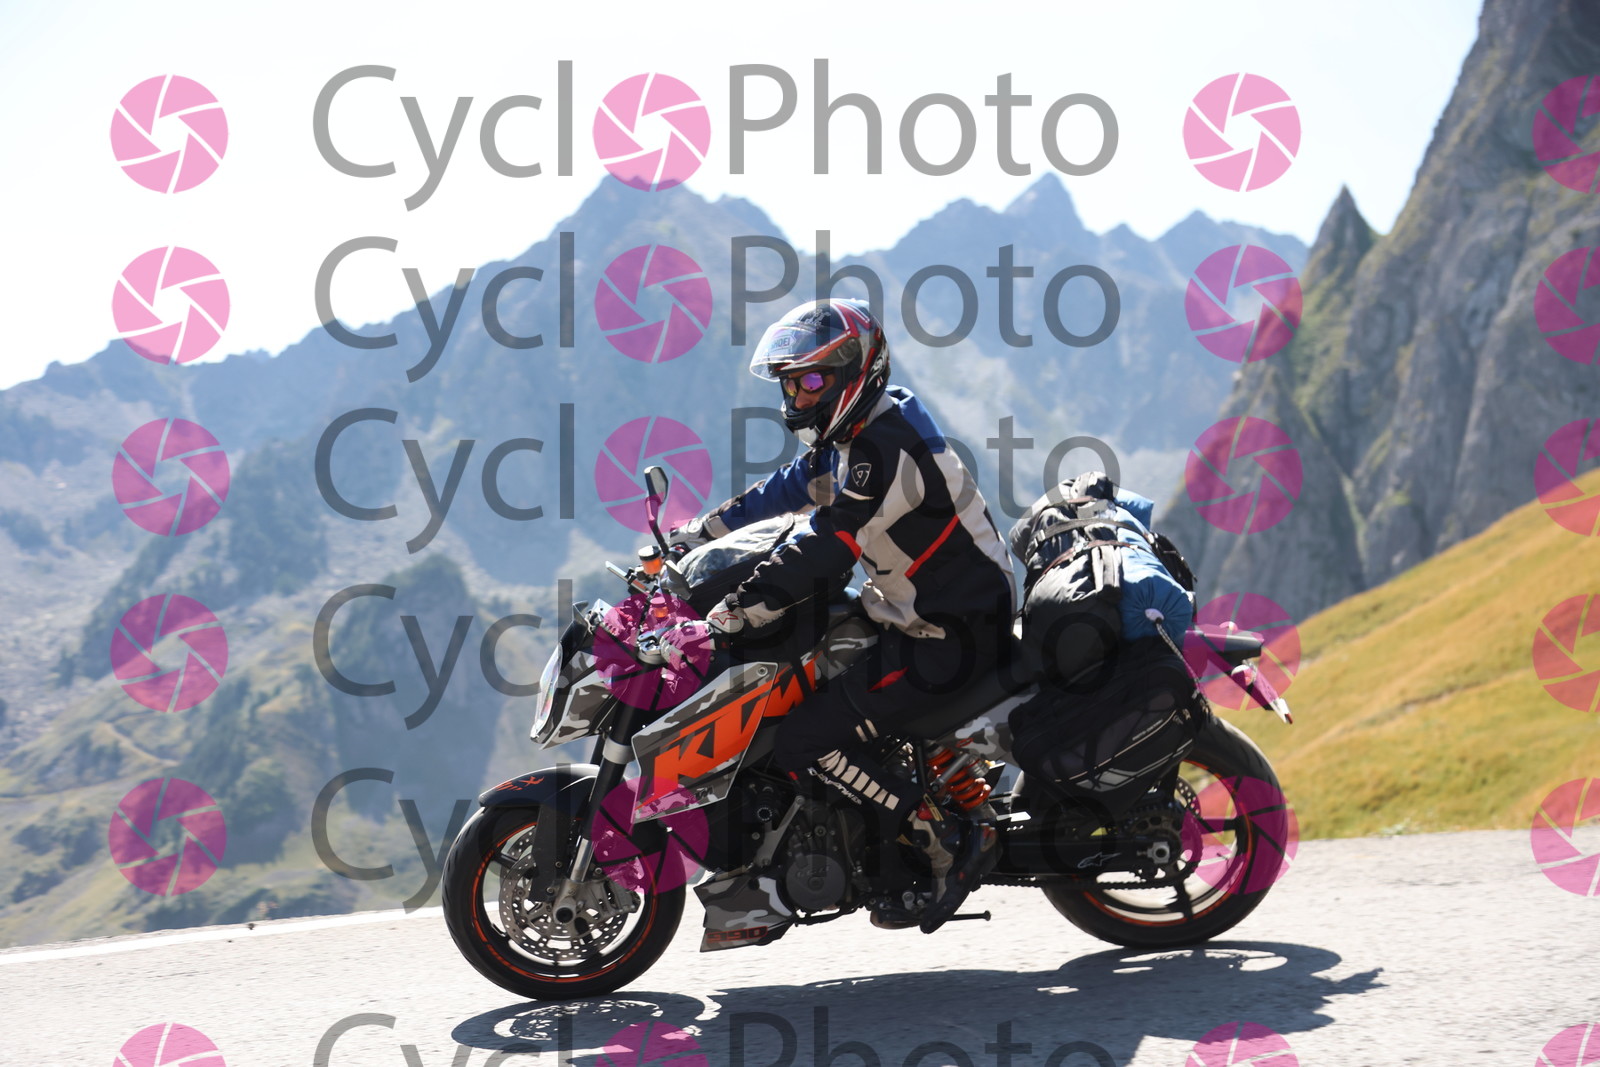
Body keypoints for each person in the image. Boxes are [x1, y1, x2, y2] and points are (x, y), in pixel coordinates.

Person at [667, 298, 1017, 933]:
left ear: (854, 372)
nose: (797, 396)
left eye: (810, 380)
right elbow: (788, 486)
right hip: (909, 611)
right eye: (789, 383)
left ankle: (945, 841)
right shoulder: (855, 434)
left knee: (807, 739)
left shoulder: (885, 447)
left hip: (952, 631)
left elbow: (829, 543)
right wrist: (697, 533)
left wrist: (734, 611)